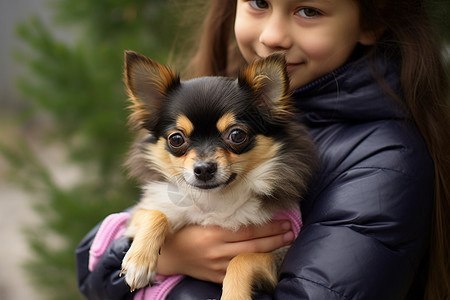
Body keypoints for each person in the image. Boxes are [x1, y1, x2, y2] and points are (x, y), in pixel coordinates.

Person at [76, 0, 450, 299]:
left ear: (373, 17)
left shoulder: (384, 163)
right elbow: (90, 266)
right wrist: (170, 253)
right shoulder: (209, 95)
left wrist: (183, 269)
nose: (273, 36)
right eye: (258, 2)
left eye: (309, 11)